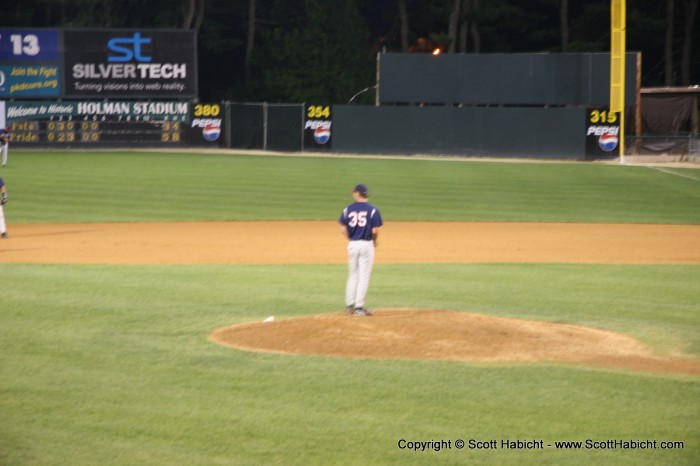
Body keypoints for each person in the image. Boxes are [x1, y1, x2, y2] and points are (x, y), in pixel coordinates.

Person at [339, 183, 383, 316]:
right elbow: (374, 230)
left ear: (359, 194)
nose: (353, 194)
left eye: (354, 192)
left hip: (352, 244)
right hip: (366, 244)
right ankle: (359, 307)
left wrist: (352, 240)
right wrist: (374, 241)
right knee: (363, 276)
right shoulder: (373, 210)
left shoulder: (347, 209)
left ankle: (349, 306)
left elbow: (343, 230)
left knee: (353, 275)